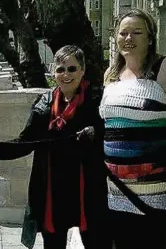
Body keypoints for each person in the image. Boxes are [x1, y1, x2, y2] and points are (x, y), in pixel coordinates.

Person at [99, 8, 166, 249]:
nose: (128, 38)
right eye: (123, 33)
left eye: (136, 33)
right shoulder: (111, 74)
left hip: (154, 192)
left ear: (150, 37)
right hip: (115, 191)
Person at [0, 45, 108, 249]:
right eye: (60, 69)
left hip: (88, 189)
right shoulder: (44, 105)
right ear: (53, 72)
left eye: (72, 69)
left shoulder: (97, 100)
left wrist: (96, 132)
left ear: (82, 70)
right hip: (52, 191)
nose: (66, 74)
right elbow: (24, 143)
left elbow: (112, 133)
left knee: (96, 242)